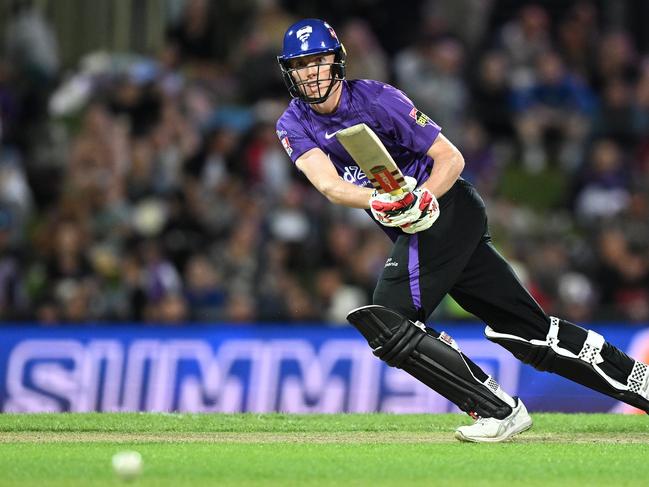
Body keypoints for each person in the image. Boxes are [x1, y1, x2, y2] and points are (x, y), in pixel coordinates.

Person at [275, 19, 649, 443]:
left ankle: (497, 410)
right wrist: (380, 202)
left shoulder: (379, 99)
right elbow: (329, 185)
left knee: (389, 319)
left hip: (448, 209)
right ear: (290, 71)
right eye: (300, 64)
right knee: (529, 333)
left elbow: (450, 157)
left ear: (336, 60)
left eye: (318, 61)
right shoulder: (293, 123)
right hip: (411, 221)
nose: (311, 72)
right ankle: (642, 382)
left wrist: (423, 197)